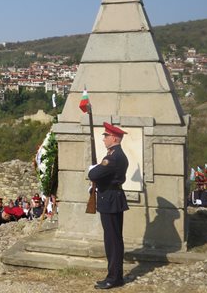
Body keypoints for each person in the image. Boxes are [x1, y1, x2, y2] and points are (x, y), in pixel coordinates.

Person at [88, 122, 129, 290]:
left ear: (114, 138)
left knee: (112, 240)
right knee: (112, 239)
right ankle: (114, 275)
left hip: (111, 199)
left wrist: (94, 169)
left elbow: (93, 174)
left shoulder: (113, 157)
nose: (104, 138)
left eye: (106, 135)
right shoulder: (114, 154)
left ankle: (114, 278)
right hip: (112, 197)